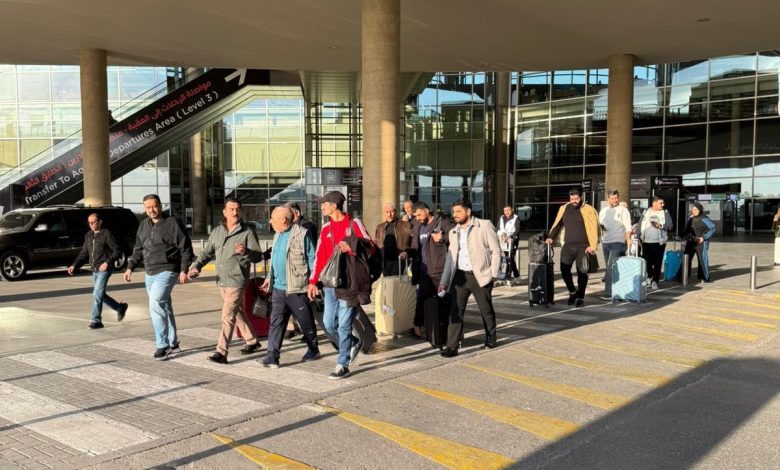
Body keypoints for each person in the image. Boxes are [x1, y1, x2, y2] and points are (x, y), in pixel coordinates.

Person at [188, 197, 263, 364]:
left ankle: (221, 352)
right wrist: (196, 266)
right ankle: (252, 340)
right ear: (224, 212)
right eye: (231, 209)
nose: (235, 212)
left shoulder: (247, 232)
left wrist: (246, 252)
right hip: (222, 279)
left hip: (237, 280)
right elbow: (206, 253)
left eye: (238, 209)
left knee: (227, 315)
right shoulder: (217, 231)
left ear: (241, 211)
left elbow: (258, 256)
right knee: (237, 311)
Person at [307, 190, 372, 379]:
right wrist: (313, 281)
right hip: (330, 284)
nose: (321, 207)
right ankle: (353, 343)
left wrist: (351, 247)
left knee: (344, 325)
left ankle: (342, 364)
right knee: (329, 324)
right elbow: (319, 257)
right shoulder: (326, 228)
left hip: (350, 283)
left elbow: (371, 247)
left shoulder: (354, 224)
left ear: (334, 205)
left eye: (324, 203)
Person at [124, 194, 193, 361]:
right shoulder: (143, 225)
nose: (152, 210)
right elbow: (138, 249)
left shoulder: (172, 223)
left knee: (156, 304)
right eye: (148, 207)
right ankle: (173, 343)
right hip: (150, 272)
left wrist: (184, 270)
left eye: (154, 206)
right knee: (165, 306)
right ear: (145, 209)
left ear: (160, 206)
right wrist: (130, 267)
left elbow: (186, 248)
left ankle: (162, 345)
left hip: (168, 269)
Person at [438, 198, 501, 357]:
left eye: (458, 211)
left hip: (480, 275)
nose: (455, 215)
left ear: (468, 211)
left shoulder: (484, 225)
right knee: (455, 312)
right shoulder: (453, 232)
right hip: (460, 277)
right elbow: (450, 259)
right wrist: (444, 281)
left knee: (486, 310)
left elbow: (496, 250)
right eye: (453, 212)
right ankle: (452, 346)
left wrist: (493, 274)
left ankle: (491, 336)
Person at [258, 206, 320, 368]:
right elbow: (275, 259)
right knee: (276, 323)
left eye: (273, 218)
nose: (270, 221)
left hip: (297, 288)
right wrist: (269, 278)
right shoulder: (277, 234)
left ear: (284, 220)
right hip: (278, 289)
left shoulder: (302, 234)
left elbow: (312, 259)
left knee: (305, 321)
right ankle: (272, 356)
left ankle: (313, 348)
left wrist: (313, 282)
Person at [67, 213, 129, 329]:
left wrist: (107, 262)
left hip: (105, 269)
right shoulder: (88, 235)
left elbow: (117, 250)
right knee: (100, 294)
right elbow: (83, 253)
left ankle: (96, 321)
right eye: (89, 222)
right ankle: (120, 308)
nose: (91, 224)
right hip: (95, 269)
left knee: (97, 294)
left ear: (100, 222)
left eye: (93, 222)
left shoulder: (106, 234)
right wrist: (75, 265)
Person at [404, 201, 453, 339]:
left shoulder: (442, 222)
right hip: (423, 270)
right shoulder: (418, 225)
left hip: (438, 270)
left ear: (426, 210)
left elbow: (455, 235)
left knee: (443, 300)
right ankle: (418, 327)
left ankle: (446, 329)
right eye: (415, 216)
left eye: (419, 215)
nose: (418, 218)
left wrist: (442, 238)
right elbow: (415, 247)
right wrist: (407, 252)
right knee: (422, 300)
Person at [546, 188, 599, 307]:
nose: (574, 201)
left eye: (576, 199)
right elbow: (557, 224)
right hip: (568, 245)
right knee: (564, 270)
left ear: (581, 197)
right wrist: (550, 237)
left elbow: (594, 228)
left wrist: (592, 245)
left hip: (584, 247)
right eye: (572, 199)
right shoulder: (564, 208)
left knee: (582, 273)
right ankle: (573, 292)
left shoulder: (589, 210)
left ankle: (581, 297)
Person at [598, 190, 633, 300]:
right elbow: (600, 224)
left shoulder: (623, 210)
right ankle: (620, 290)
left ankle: (609, 293)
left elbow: (628, 226)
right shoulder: (603, 211)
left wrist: (628, 238)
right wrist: (601, 228)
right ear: (608, 199)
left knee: (610, 268)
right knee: (613, 268)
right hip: (605, 242)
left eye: (616, 198)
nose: (615, 200)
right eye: (612, 198)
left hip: (618, 242)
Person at [638, 196, 673, 290]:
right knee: (647, 262)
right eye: (661, 203)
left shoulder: (665, 212)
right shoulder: (646, 212)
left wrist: (660, 225)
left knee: (657, 262)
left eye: (663, 203)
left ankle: (655, 281)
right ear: (654, 203)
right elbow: (640, 224)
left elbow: (670, 226)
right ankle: (650, 276)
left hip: (659, 242)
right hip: (646, 241)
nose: (663, 205)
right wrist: (637, 235)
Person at [374, 203, 411, 276]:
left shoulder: (406, 225)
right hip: (385, 262)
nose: (389, 214)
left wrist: (407, 252)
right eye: (387, 212)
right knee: (386, 282)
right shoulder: (380, 227)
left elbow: (413, 243)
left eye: (391, 211)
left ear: (396, 212)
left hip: (400, 261)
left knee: (398, 282)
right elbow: (377, 243)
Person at [683, 203, 716, 282]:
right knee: (686, 258)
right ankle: (683, 276)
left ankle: (705, 277)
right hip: (690, 242)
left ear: (700, 210)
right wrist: (684, 238)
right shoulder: (691, 218)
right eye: (693, 210)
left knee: (702, 260)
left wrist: (704, 237)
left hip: (701, 243)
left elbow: (713, 229)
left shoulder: (704, 219)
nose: (694, 211)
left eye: (696, 210)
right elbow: (687, 230)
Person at [496, 205, 521, 281]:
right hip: (502, 241)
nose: (507, 212)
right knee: (505, 258)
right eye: (505, 210)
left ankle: (515, 276)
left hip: (512, 241)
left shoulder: (515, 218)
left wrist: (511, 236)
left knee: (510, 258)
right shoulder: (501, 218)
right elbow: (497, 228)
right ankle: (505, 275)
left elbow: (517, 230)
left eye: (508, 210)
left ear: (512, 210)